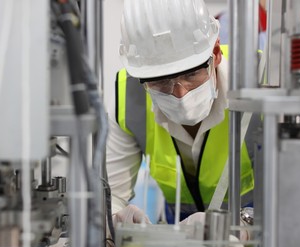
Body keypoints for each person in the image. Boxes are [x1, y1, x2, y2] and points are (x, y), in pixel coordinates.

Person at [106, 0, 258, 230]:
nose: (179, 94)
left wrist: (246, 225)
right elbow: (110, 198)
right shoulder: (127, 97)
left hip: (257, 231)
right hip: (179, 231)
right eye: (161, 81)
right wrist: (115, 219)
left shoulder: (261, 80)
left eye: (191, 74)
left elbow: (298, 197)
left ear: (215, 53)